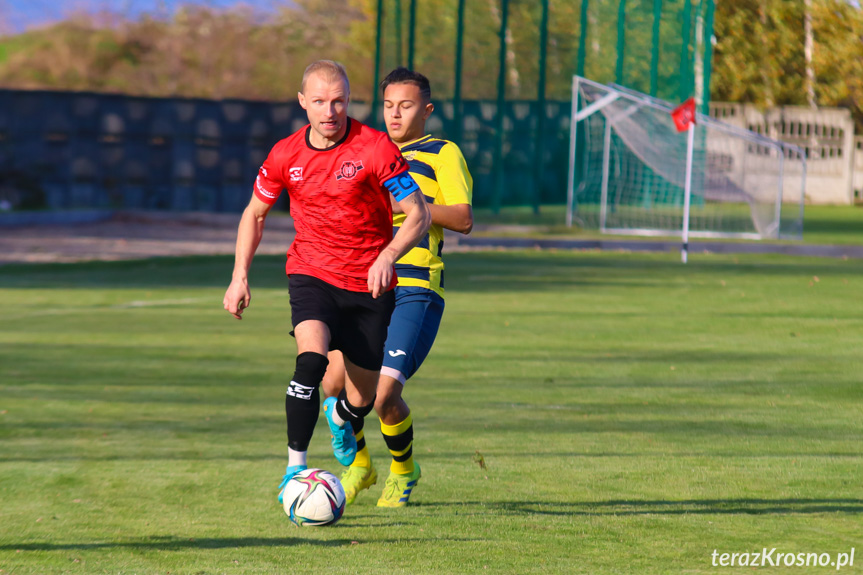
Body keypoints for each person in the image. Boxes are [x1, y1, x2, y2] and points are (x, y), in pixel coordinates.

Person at [222, 60, 432, 505]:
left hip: (369, 285)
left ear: (348, 101)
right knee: (311, 362)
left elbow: (419, 214)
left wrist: (389, 255)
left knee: (361, 399)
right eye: (319, 101)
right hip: (311, 273)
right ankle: (293, 470)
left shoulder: (374, 148)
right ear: (303, 103)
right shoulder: (284, 154)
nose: (330, 111)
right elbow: (254, 214)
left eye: (338, 101)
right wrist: (239, 275)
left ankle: (343, 416)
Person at [321, 67, 473, 508]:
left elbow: (463, 218)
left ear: (426, 110)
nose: (395, 115)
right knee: (331, 387)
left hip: (415, 285)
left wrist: (409, 204)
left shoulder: (443, 152)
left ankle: (404, 471)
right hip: (364, 283)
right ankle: (361, 467)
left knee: (385, 395)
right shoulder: (368, 151)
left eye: (405, 106)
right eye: (388, 106)